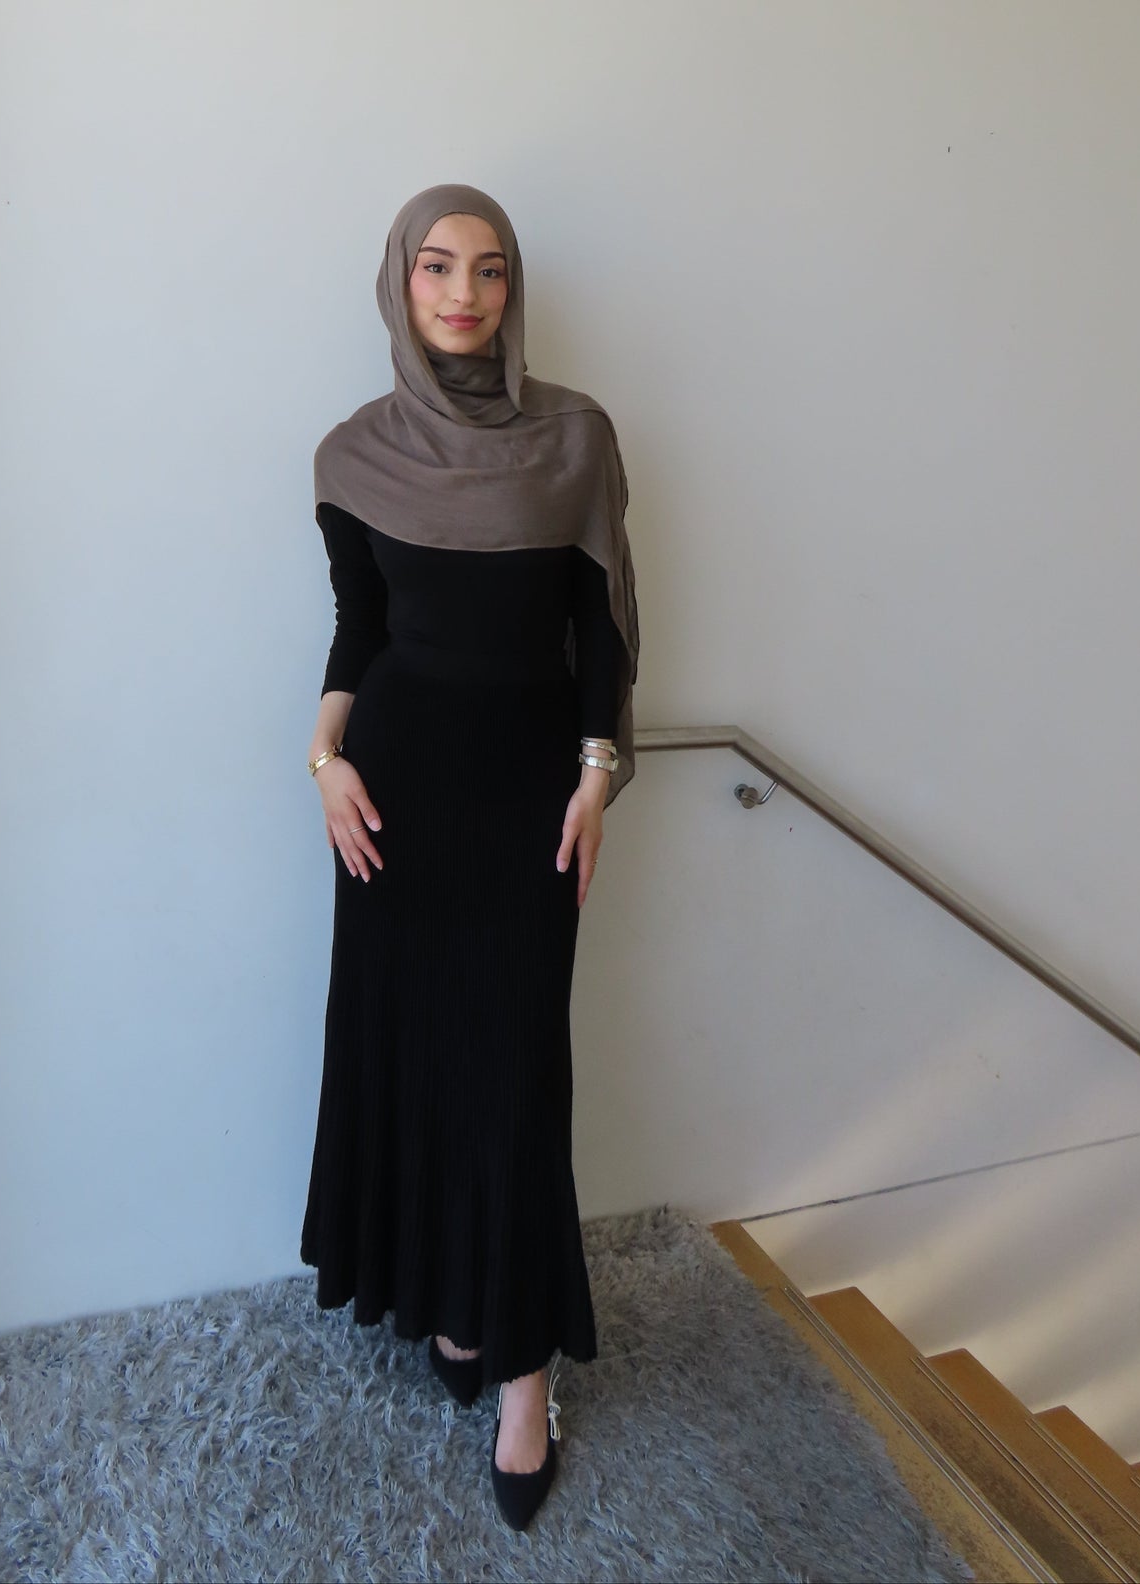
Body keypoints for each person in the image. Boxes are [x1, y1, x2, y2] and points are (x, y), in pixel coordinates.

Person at [298, 183, 641, 1531]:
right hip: (392, 795)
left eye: (489, 270)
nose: (463, 293)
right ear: (401, 282)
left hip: (527, 798)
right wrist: (324, 759)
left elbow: (600, 634)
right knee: (420, 1056)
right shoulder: (351, 455)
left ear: (513, 289)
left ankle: (523, 1380)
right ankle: (450, 1301)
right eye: (436, 266)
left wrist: (598, 773)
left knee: (514, 1074)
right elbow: (357, 630)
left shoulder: (575, 438)